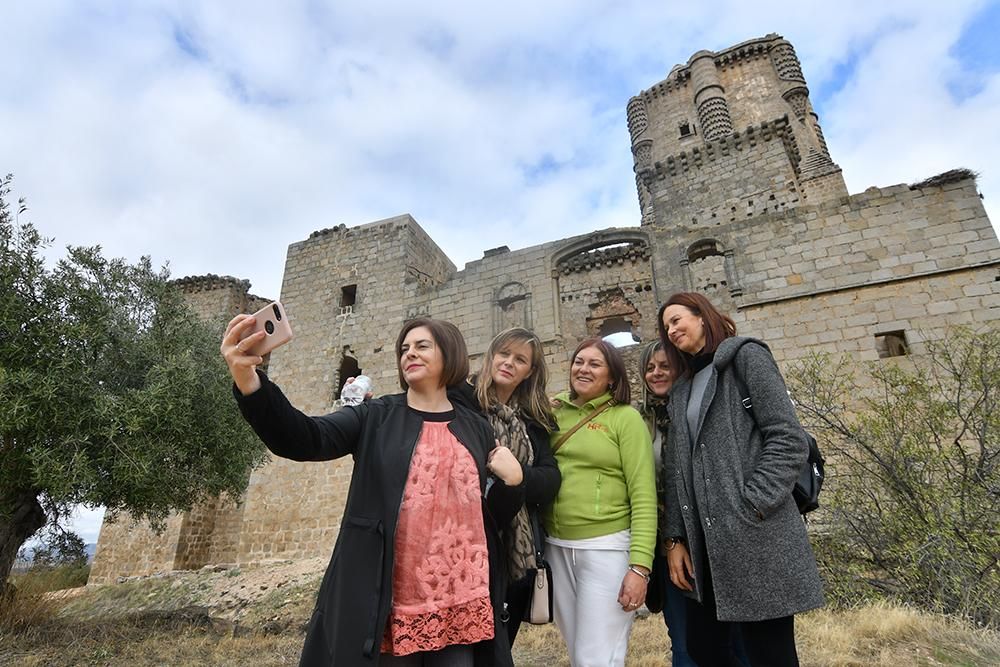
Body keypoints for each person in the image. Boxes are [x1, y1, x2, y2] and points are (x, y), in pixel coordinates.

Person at [222, 316, 526, 667]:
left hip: (461, 601)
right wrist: (249, 380)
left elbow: (491, 517)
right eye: (404, 348)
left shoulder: (476, 428)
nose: (409, 353)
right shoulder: (375, 416)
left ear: (451, 354)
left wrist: (514, 482)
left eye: (422, 346)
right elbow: (305, 438)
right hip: (389, 603)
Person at [657, 293, 824, 667]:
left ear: (703, 317)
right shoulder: (681, 389)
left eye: (678, 319)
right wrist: (675, 538)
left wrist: (752, 504)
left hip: (756, 535)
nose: (672, 330)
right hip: (706, 544)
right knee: (704, 648)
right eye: (667, 326)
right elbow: (676, 469)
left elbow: (786, 437)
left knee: (770, 654)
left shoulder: (746, 357)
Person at [544, 337, 657, 667]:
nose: (583, 368)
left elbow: (643, 494)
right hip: (556, 546)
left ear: (612, 377)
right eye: (578, 361)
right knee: (579, 653)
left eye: (594, 364)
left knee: (598, 658)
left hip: (606, 548)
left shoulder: (625, 419)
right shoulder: (554, 413)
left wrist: (639, 568)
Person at [447, 327, 561, 645]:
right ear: (491, 356)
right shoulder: (460, 401)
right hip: (462, 545)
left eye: (520, 359)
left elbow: (551, 479)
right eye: (503, 353)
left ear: (530, 371)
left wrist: (516, 475)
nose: (509, 362)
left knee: (499, 648)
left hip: (515, 557)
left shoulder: (534, 421)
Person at [637, 341, 695, 667]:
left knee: (729, 637)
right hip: (664, 545)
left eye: (664, 366)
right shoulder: (640, 420)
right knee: (683, 637)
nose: (656, 373)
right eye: (650, 367)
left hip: (704, 539)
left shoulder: (695, 411)